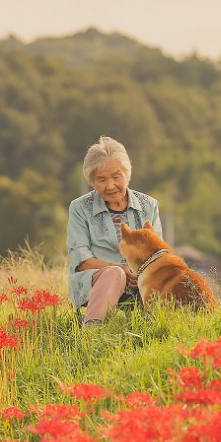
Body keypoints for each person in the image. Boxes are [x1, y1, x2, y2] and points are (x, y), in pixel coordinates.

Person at [67, 136, 163, 326]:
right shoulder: (79, 207)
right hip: (96, 278)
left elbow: (158, 254)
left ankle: (158, 330)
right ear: (92, 182)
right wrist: (121, 269)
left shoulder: (148, 205)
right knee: (114, 274)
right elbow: (81, 258)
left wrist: (140, 274)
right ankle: (92, 331)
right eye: (101, 179)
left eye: (116, 176)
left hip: (139, 279)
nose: (110, 185)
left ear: (127, 174)